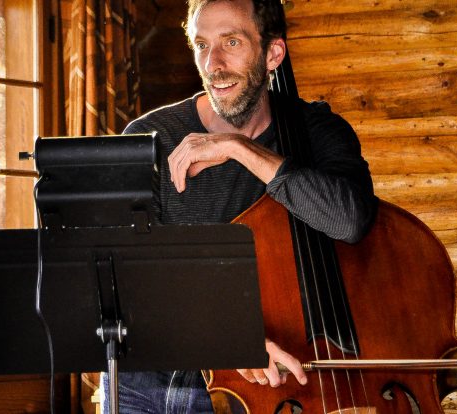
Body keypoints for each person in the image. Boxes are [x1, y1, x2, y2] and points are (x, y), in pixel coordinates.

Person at [102, 0, 378, 412]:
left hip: (264, 386)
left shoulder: (317, 131)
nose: (213, 64)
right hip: (147, 387)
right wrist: (230, 338)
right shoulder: (148, 137)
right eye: (201, 44)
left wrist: (238, 148)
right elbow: (127, 281)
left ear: (273, 54)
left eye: (231, 42)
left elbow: (350, 220)